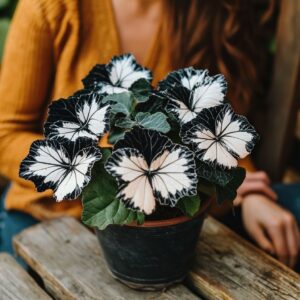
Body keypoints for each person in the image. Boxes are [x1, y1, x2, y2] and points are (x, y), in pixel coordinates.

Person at [0, 0, 299, 269]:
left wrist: (249, 193)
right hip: (52, 218)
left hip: (169, 223)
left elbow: (219, 129)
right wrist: (105, 163)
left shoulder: (213, 11)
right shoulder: (53, 7)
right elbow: (5, 135)